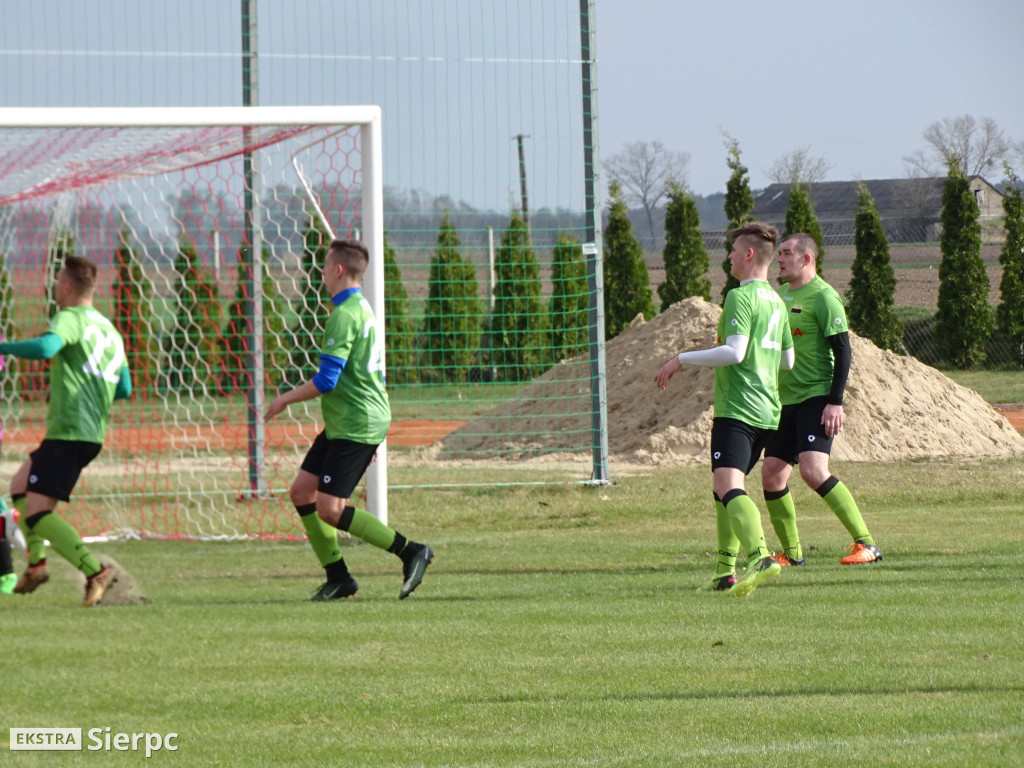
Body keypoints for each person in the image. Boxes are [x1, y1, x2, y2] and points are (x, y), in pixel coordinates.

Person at [266, 238, 434, 601]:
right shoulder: (361, 308)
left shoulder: (345, 315)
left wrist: (283, 399)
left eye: (325, 266)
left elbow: (327, 380)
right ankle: (339, 577)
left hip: (356, 421)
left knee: (330, 508)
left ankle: (412, 551)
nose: (322, 272)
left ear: (338, 270)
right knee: (301, 492)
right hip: (352, 420)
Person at [655, 221, 794, 595]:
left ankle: (761, 557)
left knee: (727, 484)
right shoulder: (777, 302)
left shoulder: (740, 296)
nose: (728, 256)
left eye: (733, 250)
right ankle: (723, 572)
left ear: (748, 254)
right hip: (768, 410)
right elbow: (788, 361)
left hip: (739, 409)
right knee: (724, 491)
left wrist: (681, 359)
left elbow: (735, 352)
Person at [0, 255, 132, 606]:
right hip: (87, 433)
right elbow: (125, 389)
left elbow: (46, 348)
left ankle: (95, 571)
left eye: (58, 281)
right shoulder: (110, 331)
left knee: (38, 515)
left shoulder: (69, 318)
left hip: (69, 433)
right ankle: (36, 565)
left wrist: (3, 347)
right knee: (19, 486)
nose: (55, 287)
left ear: (68, 286)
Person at [761, 233, 882, 565]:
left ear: (806, 259)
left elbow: (843, 351)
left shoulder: (824, 297)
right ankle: (793, 554)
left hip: (816, 397)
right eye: (779, 253)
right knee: (772, 474)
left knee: (813, 470)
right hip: (783, 400)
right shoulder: (781, 294)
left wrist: (835, 401)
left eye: (786, 253)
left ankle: (867, 544)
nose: (779, 259)